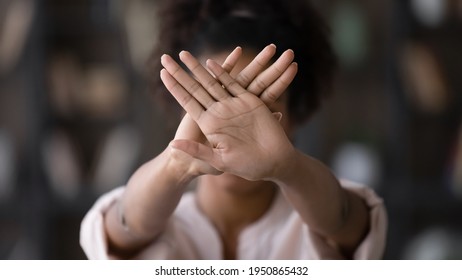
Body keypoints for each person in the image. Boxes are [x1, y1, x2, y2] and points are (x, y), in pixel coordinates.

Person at [80, 0, 387, 259]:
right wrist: (175, 163)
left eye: (264, 107)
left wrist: (289, 167)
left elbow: (344, 219)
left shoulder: (318, 213)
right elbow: (127, 226)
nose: (231, 129)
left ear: (297, 115)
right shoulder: (158, 215)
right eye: (211, 100)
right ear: (181, 109)